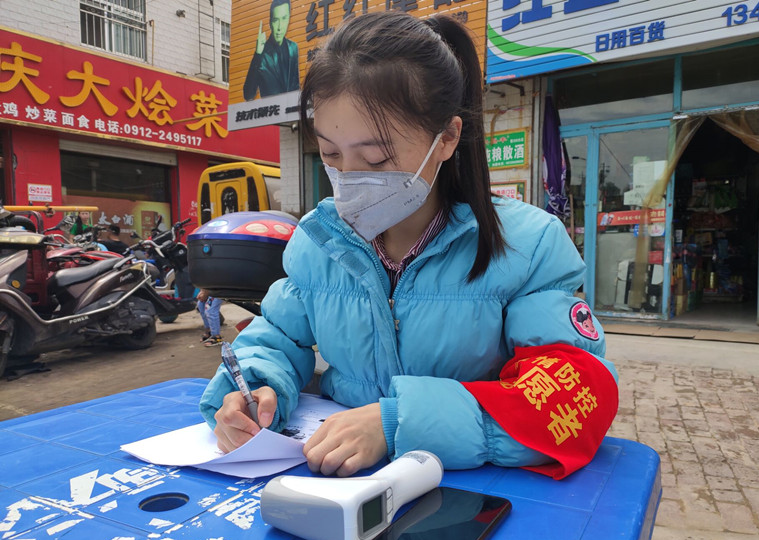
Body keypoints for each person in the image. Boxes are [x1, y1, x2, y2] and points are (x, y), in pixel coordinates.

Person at [200, 11, 619, 480]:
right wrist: (255, 388)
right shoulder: (319, 241)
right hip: (340, 483)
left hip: (474, 492)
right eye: (331, 154)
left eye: (376, 157)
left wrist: (397, 423)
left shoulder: (528, 245)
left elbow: (575, 393)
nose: (348, 178)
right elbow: (278, 337)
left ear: (446, 139)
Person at [242, 0, 299, 100]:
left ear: (289, 19)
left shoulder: (293, 48)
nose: (280, 27)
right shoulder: (261, 54)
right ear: (270, 22)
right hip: (272, 109)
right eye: (276, 20)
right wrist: (258, 54)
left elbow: (296, 86)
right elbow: (248, 94)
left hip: (292, 108)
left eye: (284, 18)